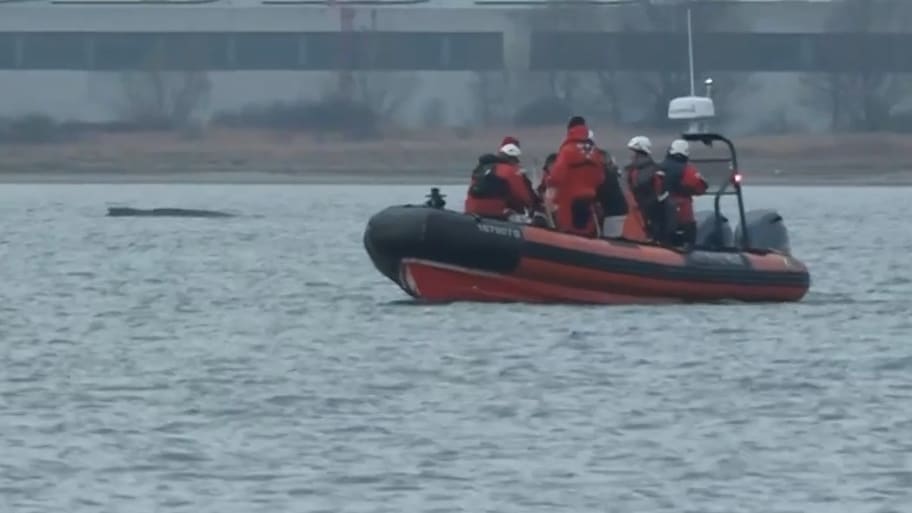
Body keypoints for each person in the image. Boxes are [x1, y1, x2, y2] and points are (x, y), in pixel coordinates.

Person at [545, 116, 606, 237]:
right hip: (589, 198)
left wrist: (549, 184)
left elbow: (557, 175)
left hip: (569, 199)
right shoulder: (595, 152)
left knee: (570, 232)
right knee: (586, 232)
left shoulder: (568, 150)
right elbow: (600, 178)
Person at [464, 136, 538, 220]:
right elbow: (524, 197)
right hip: (495, 215)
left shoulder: (481, 168)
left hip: (471, 213)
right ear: (513, 158)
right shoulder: (510, 171)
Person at [623, 135, 673, 243]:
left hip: (646, 215)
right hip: (638, 215)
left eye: (633, 152)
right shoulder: (635, 170)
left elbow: (658, 197)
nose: (631, 155)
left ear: (639, 153)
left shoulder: (649, 171)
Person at [659, 139, 708, 247]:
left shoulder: (659, 167)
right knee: (687, 238)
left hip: (661, 213)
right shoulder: (687, 170)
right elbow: (701, 186)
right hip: (682, 212)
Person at [589, 130, 628, 238]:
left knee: (611, 240)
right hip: (612, 208)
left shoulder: (597, 162)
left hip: (613, 210)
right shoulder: (602, 157)